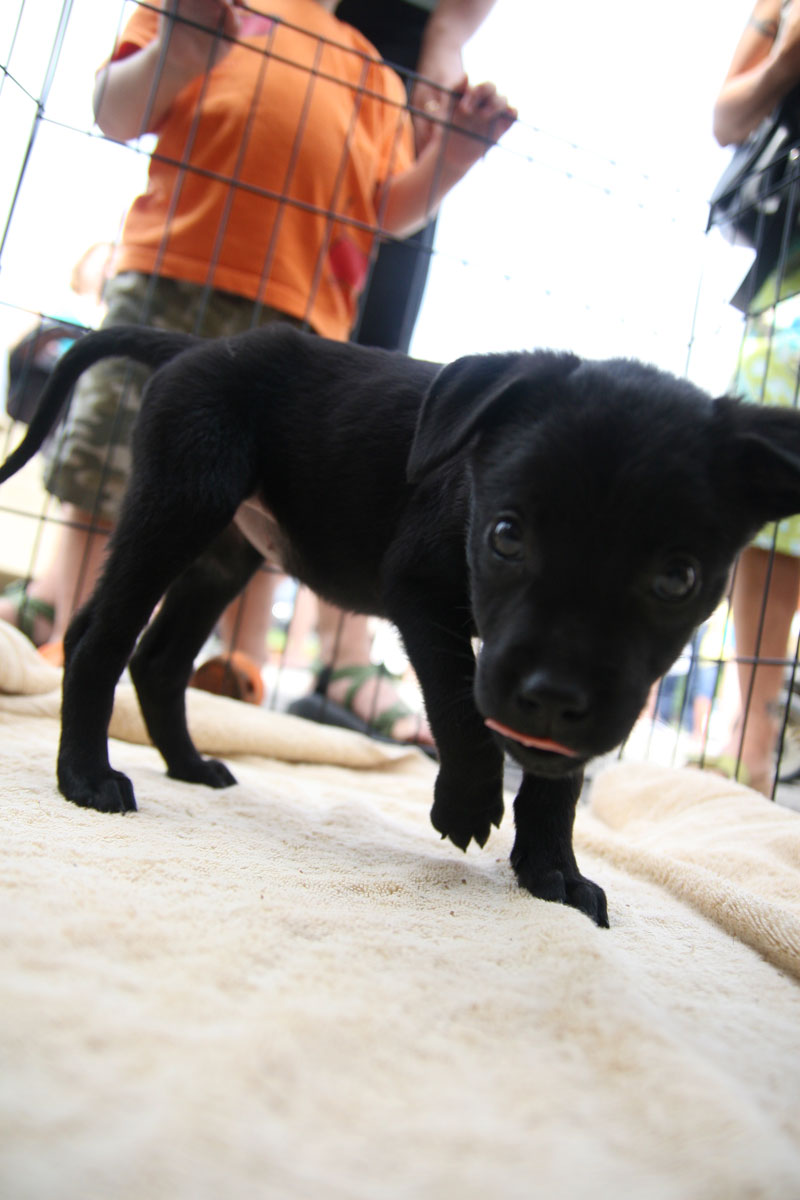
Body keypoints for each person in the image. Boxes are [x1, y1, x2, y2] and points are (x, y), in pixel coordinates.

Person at [0, 0, 514, 744]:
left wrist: (452, 159)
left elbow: (386, 209)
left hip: (301, 325)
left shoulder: (369, 66)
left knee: (269, 519)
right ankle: (59, 630)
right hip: (174, 279)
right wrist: (181, 44)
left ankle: (233, 678)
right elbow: (115, 109)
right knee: (107, 480)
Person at [707, 0, 800, 793]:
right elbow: (727, 116)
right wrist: (786, 58)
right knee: (770, 488)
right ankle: (753, 726)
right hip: (791, 286)